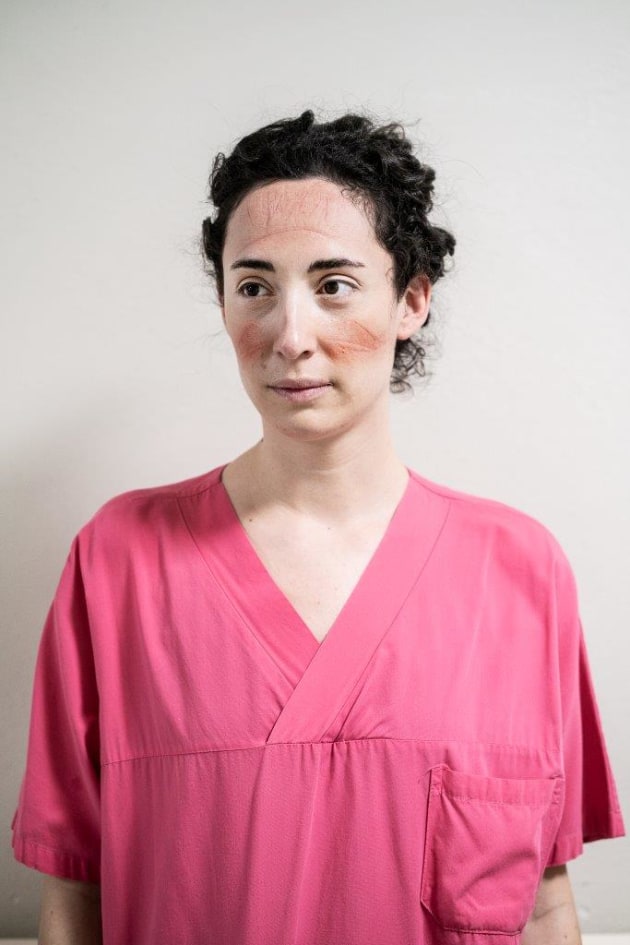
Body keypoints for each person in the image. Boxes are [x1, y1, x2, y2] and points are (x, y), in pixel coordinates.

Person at [12, 109, 625, 945]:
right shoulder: (119, 560)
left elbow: (545, 899)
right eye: (255, 287)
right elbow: (74, 898)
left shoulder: (519, 570)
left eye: (334, 284)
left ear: (410, 301)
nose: (290, 338)